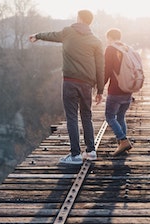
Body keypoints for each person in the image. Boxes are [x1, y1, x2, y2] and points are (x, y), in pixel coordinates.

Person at [29, 10, 104, 165]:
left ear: (79, 18)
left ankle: (75, 155)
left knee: (71, 117)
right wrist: (100, 90)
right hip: (87, 84)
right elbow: (100, 67)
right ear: (90, 22)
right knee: (86, 116)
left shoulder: (68, 32)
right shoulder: (96, 41)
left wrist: (37, 35)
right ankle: (90, 151)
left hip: (70, 82)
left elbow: (52, 35)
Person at [104, 28, 133, 156]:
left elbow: (107, 70)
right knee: (120, 116)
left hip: (115, 90)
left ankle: (123, 140)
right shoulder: (127, 48)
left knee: (110, 116)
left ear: (109, 37)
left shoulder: (111, 49)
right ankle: (122, 145)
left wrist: (100, 87)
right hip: (128, 89)